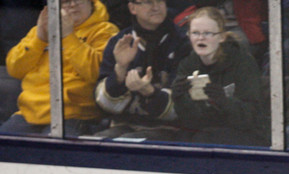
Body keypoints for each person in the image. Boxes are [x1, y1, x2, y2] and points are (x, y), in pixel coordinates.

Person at [1, 0, 118, 136]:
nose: (73, 5)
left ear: (91, 3)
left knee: (54, 153)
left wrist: (69, 37)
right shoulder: (41, 30)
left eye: (78, 1)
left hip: (76, 114)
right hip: (30, 112)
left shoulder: (104, 30)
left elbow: (97, 73)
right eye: (66, 2)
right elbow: (14, 69)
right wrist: (39, 39)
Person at [169, 5, 268, 146]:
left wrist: (223, 101)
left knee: (203, 140)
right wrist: (179, 99)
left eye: (208, 33)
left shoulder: (243, 62)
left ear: (221, 37)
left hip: (246, 134)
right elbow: (190, 122)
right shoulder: (187, 65)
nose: (200, 38)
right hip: (205, 132)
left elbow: (250, 118)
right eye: (195, 33)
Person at [93, 0, 190, 140]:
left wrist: (150, 92)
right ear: (132, 7)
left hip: (169, 129)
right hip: (122, 125)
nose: (156, 7)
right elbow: (104, 105)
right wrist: (120, 70)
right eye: (148, 2)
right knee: (95, 145)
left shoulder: (183, 42)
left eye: (160, 1)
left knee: (127, 145)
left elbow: (183, 108)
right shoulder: (119, 42)